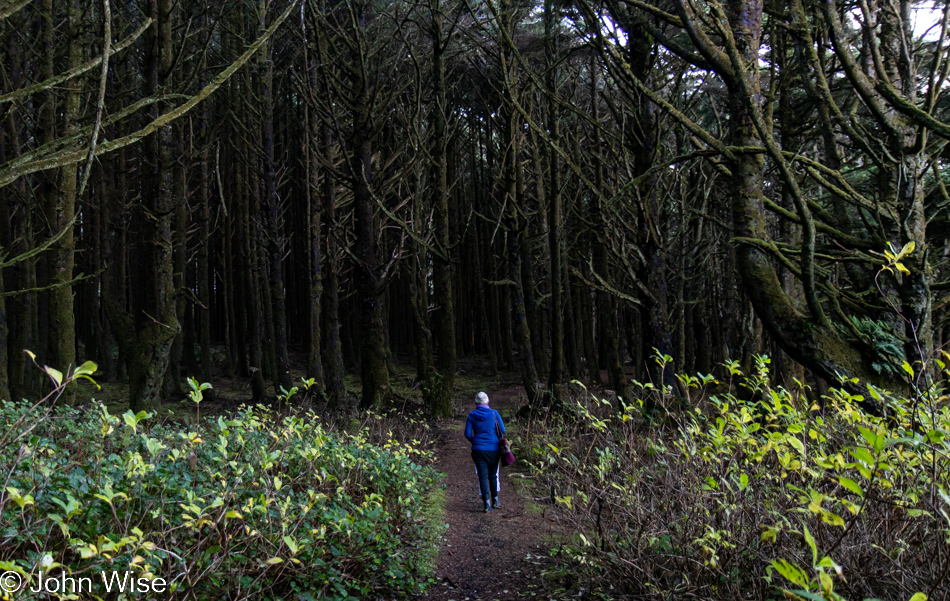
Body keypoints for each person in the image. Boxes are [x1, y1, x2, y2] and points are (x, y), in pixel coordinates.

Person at [464, 391, 505, 512]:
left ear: (476, 402)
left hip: (478, 450)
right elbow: (502, 430)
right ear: (487, 401)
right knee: (493, 475)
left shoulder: (472, 415)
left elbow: (467, 434)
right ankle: (495, 500)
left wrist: (475, 441)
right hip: (494, 449)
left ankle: (486, 504)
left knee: (482, 476)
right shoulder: (494, 414)